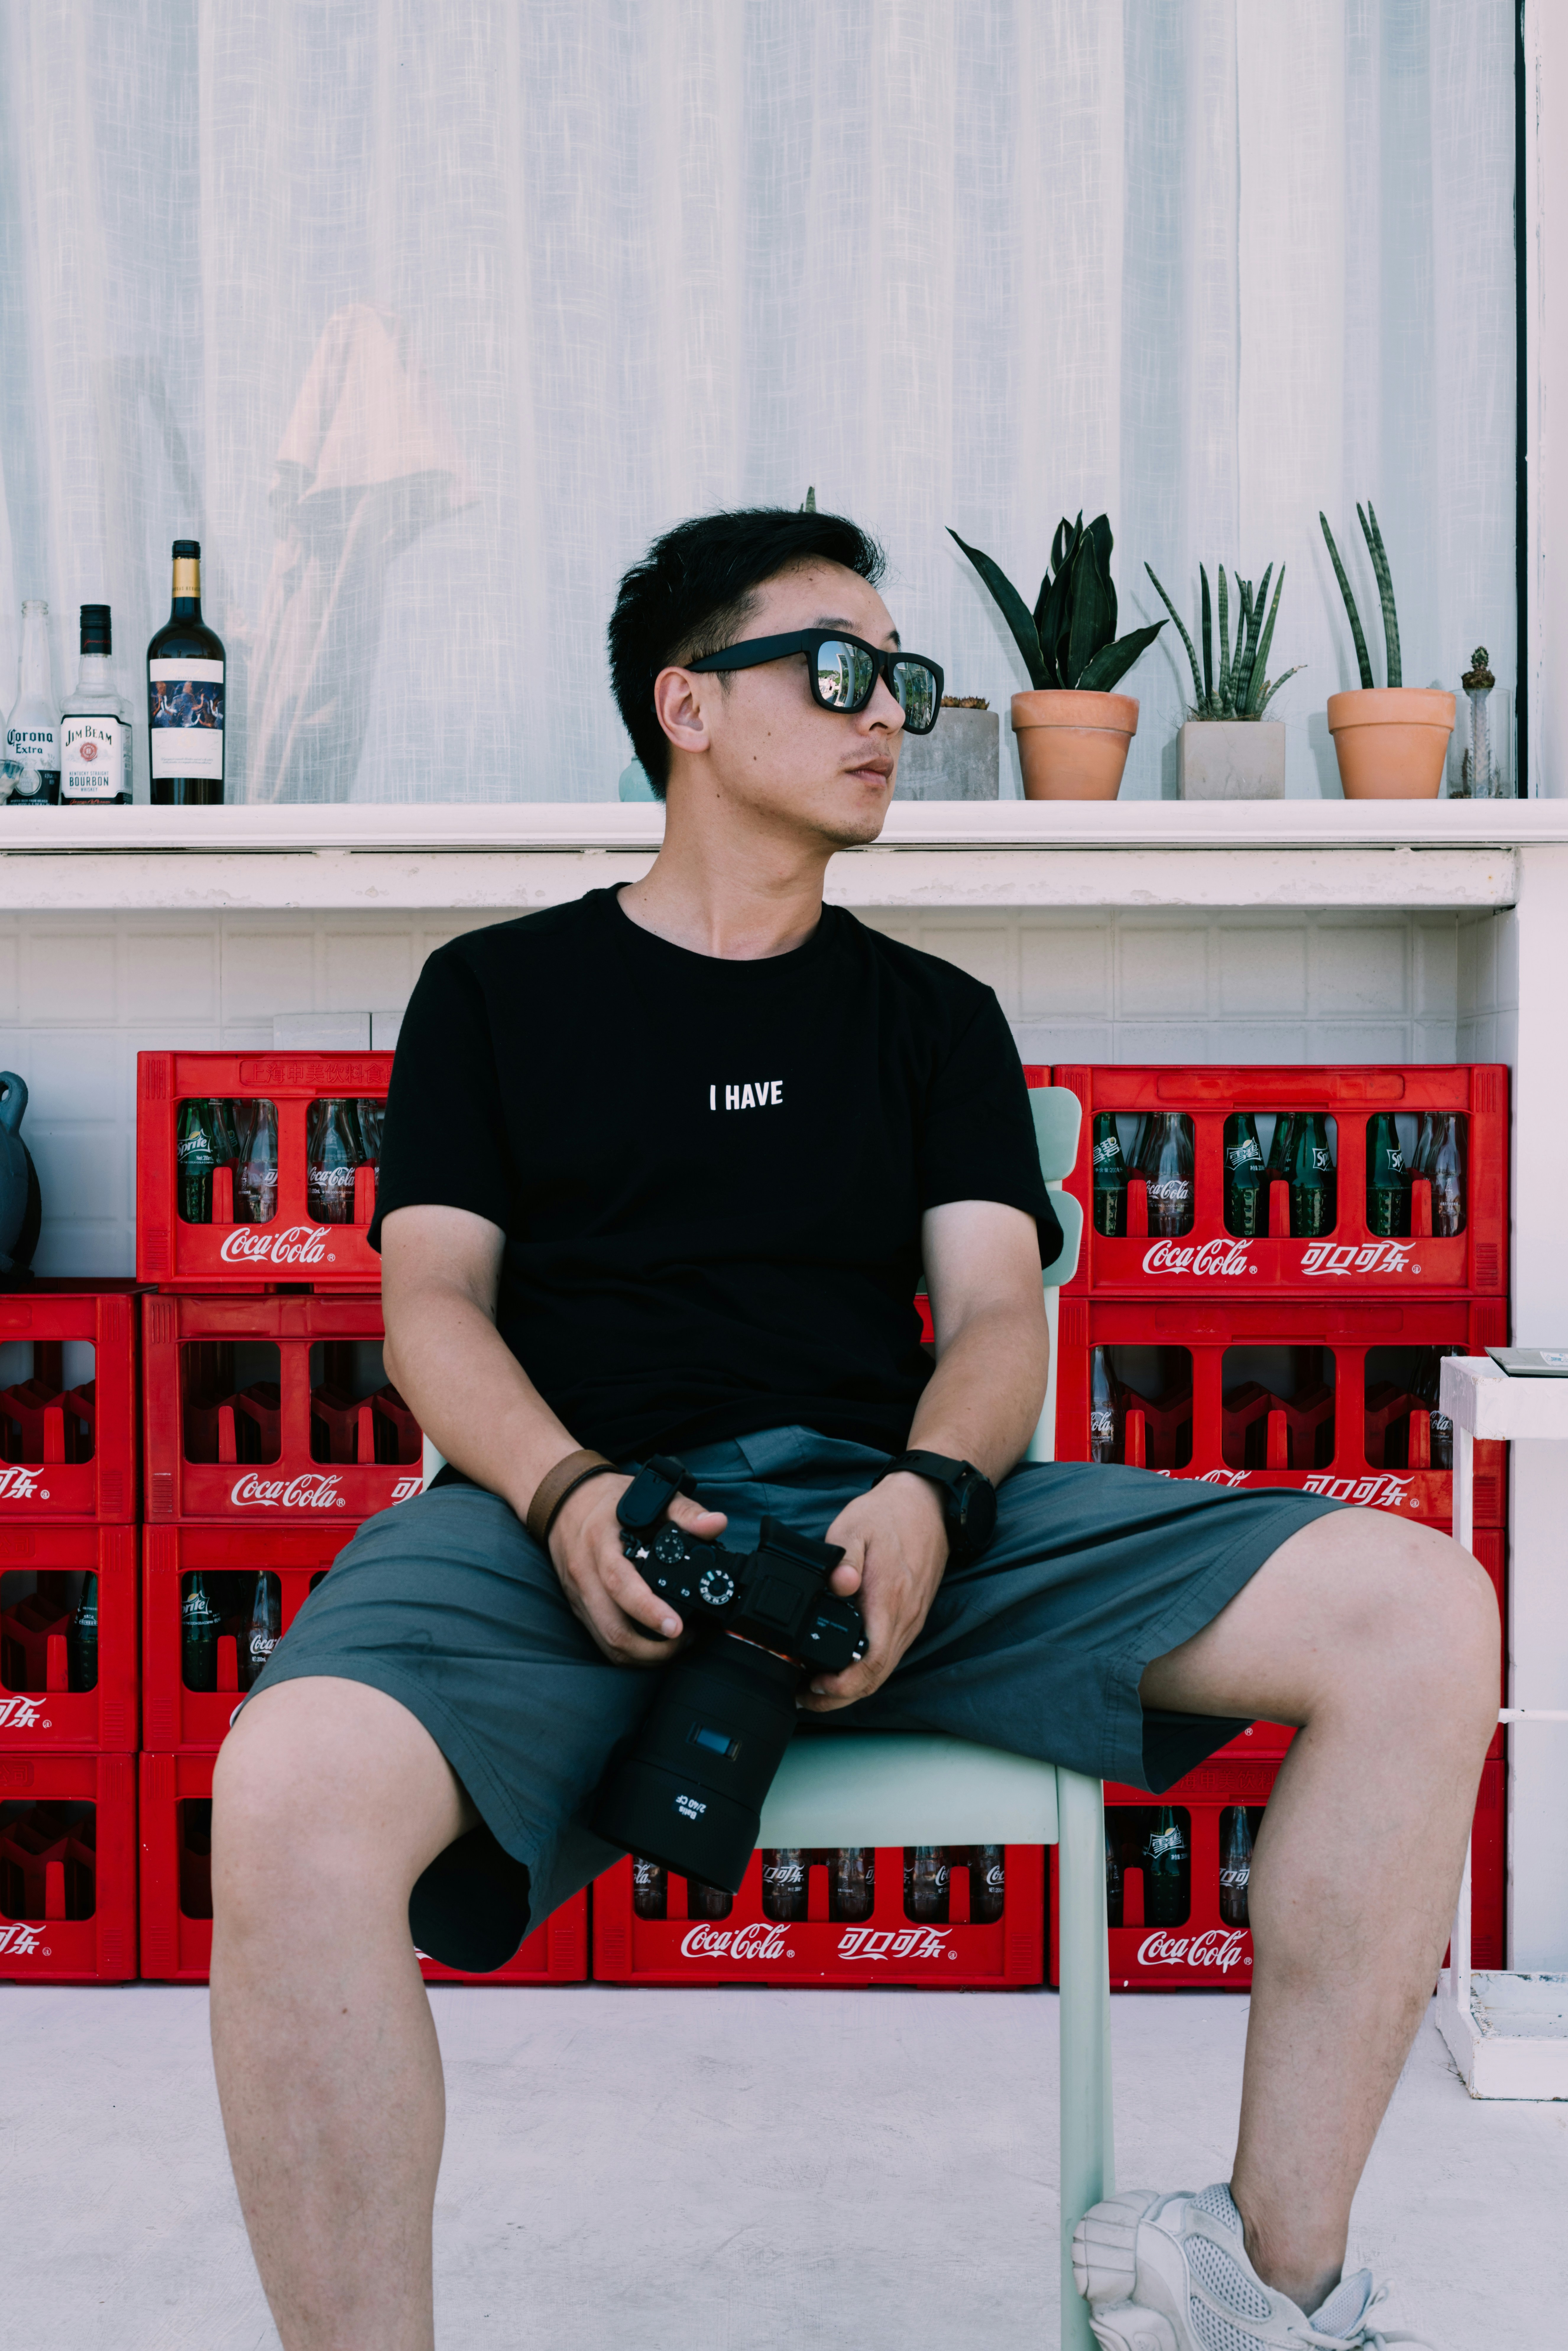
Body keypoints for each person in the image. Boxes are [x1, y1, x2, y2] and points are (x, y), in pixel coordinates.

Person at [210, 506, 1494, 2351]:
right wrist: (566, 1490)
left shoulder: (931, 1018)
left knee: (1421, 1608)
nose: (884, 710)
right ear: (687, 708)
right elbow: (433, 1310)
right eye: (834, 670)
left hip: (901, 1514)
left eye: (900, 677)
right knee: (284, 1792)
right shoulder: (496, 994)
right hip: (553, 1512)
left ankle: (1263, 2281)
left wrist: (931, 1494)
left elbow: (990, 1313)